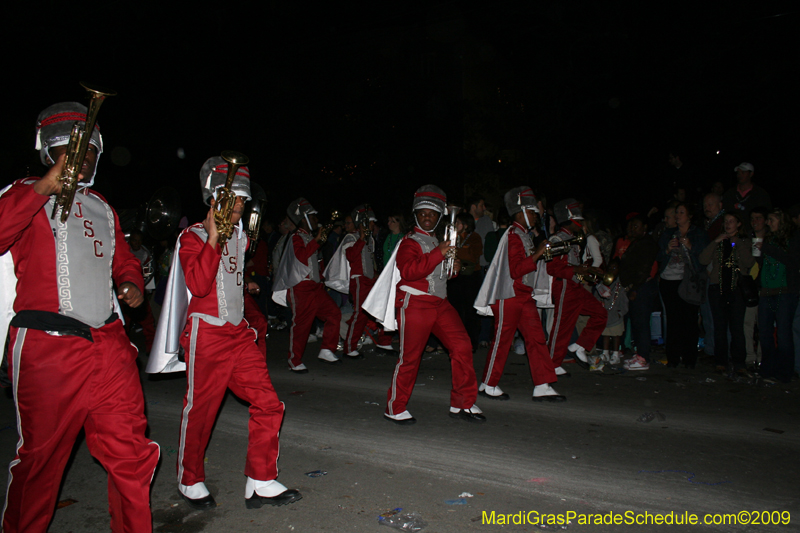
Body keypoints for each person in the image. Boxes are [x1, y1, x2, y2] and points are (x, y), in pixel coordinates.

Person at [0, 101, 159, 532]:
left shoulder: (102, 206)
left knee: (131, 453)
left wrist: (131, 283)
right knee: (40, 462)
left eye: (90, 148)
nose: (82, 156)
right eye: (70, 148)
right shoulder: (21, 192)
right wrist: (43, 188)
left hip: (108, 344)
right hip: (47, 346)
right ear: (46, 151)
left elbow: (121, 259)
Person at [147, 155, 301, 510]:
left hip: (238, 334)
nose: (242, 205)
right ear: (214, 198)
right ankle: (189, 478)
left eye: (244, 199)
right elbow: (199, 285)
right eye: (235, 198)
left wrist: (243, 283)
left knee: (269, 403)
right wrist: (214, 238)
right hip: (207, 336)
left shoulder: (240, 237)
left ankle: (260, 479)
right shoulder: (192, 237)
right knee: (201, 411)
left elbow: (225, 275)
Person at [363, 185, 485, 425]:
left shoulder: (438, 240)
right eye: (423, 212)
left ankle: (463, 403)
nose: (427, 217)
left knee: (462, 346)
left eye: (432, 213)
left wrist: (454, 270)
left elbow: (440, 274)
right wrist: (439, 254)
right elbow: (409, 271)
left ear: (439, 216)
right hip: (415, 303)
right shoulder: (409, 242)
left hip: (440, 303)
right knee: (410, 357)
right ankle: (394, 407)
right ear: (416, 215)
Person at [474, 186, 563, 401]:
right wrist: (539, 253)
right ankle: (488, 383)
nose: (535, 216)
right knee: (502, 340)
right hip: (509, 296)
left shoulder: (523, 235)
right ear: (521, 212)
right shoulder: (513, 235)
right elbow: (516, 270)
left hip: (523, 296)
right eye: (532, 212)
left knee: (536, 338)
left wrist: (540, 251)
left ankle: (542, 384)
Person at [272, 198, 342, 372]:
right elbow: (300, 258)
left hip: (316, 287)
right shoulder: (295, 238)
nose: (316, 220)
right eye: (313, 217)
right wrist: (317, 242)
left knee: (334, 313)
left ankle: (326, 349)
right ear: (304, 218)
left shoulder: (308, 237)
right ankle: (294, 361)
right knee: (301, 325)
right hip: (301, 288)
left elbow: (315, 261)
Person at [545, 199, 607, 374]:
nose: (581, 224)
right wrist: (577, 269)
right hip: (564, 286)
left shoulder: (573, 239)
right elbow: (552, 268)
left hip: (575, 285)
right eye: (578, 221)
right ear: (570, 220)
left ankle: (580, 345)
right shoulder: (557, 238)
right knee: (561, 327)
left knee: (600, 313)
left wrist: (586, 272)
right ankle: (552, 364)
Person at [324, 204, 394, 358]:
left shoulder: (371, 240)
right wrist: (361, 238)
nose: (372, 225)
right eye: (369, 222)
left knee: (382, 308)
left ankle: (384, 342)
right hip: (359, 281)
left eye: (372, 222)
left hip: (370, 279)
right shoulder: (351, 237)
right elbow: (351, 256)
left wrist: (376, 275)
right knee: (360, 315)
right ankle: (349, 348)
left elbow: (371, 260)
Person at [699, 212, 755, 375]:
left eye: (732, 221)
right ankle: (720, 361)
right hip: (718, 288)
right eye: (726, 221)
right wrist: (716, 241)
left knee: (737, 328)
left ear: (738, 224)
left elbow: (750, 262)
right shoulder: (718, 242)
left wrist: (736, 243)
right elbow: (702, 260)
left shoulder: (743, 241)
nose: (728, 224)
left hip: (736, 289)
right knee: (719, 327)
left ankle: (739, 362)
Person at [657, 202, 709, 368]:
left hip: (688, 281)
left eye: (681, 212)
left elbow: (703, 259)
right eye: (676, 213)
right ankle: (672, 358)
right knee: (673, 320)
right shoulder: (669, 234)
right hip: (669, 280)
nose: (677, 215)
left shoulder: (698, 233)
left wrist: (690, 246)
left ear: (689, 215)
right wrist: (666, 250)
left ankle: (689, 359)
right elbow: (658, 255)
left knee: (689, 320)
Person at [756, 208, 799, 383]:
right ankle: (767, 369)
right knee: (765, 332)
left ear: (781, 221)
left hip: (785, 292)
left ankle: (785, 372)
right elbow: (760, 263)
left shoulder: (793, 239)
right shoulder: (767, 238)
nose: (768, 223)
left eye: (772, 220)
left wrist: (767, 248)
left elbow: (791, 261)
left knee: (783, 333)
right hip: (766, 291)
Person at [618, 214, 659, 370]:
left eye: (636, 226)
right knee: (636, 322)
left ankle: (643, 358)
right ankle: (640, 354)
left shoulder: (647, 244)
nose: (632, 229)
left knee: (641, 323)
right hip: (636, 287)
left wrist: (635, 288)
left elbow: (644, 269)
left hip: (642, 288)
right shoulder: (638, 242)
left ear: (645, 227)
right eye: (631, 226)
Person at [447, 212, 483, 350]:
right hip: (456, 277)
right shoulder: (453, 237)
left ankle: (472, 342)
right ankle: (456, 341)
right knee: (454, 311)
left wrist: (455, 249)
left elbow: (473, 256)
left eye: (458, 223)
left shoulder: (474, 237)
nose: (455, 225)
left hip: (471, 278)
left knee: (470, 312)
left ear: (466, 225)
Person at [722, 162, 771, 233]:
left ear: (751, 174)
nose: (740, 175)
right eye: (738, 172)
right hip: (733, 233)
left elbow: (766, 214)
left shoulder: (760, 194)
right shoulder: (730, 194)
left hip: (753, 234)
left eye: (743, 172)